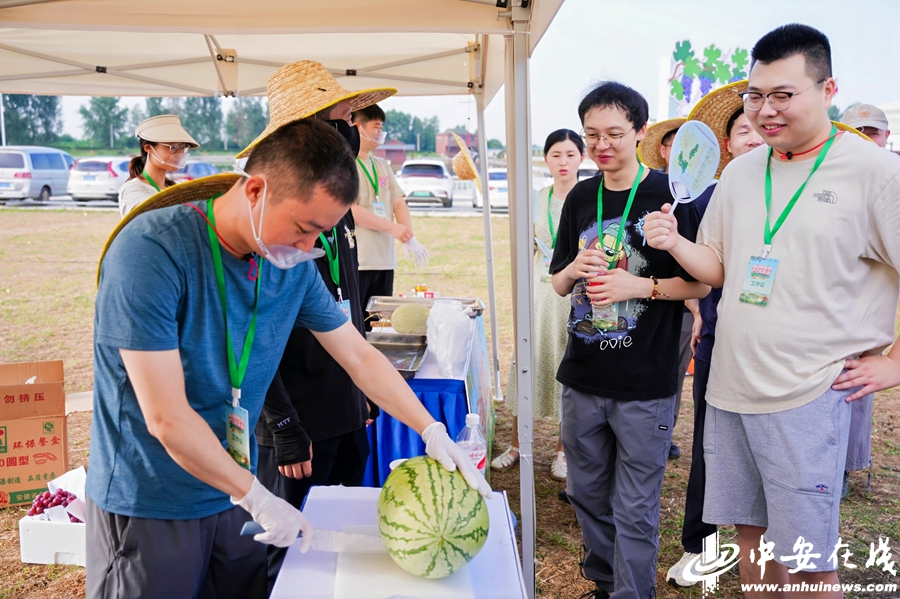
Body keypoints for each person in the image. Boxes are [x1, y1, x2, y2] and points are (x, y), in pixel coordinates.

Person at [87, 112, 490, 598]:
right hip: (152, 499)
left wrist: (429, 428)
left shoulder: (292, 265)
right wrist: (254, 494)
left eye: (319, 235)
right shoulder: (150, 251)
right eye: (302, 228)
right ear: (256, 191)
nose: (306, 247)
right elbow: (166, 417)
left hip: (232, 491)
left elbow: (358, 356)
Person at [644, 24, 900, 597]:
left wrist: (895, 363)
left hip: (807, 393)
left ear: (827, 88)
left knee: (808, 561)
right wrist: (674, 245)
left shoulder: (874, 173)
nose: (766, 110)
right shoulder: (740, 171)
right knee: (752, 540)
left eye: (783, 95)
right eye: (755, 96)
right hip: (732, 387)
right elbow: (719, 266)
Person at [549, 81, 709, 599]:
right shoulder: (579, 195)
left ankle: (631, 594)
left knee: (636, 504)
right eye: (592, 134)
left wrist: (640, 284)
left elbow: (702, 282)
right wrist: (575, 266)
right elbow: (556, 281)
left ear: (640, 132)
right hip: (584, 374)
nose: (602, 145)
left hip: (647, 379)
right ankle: (604, 582)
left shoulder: (669, 195)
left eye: (615, 133)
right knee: (586, 492)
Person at [247, 64, 392, 592]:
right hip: (298, 417)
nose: (349, 131)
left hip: (343, 405)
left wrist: (367, 394)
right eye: (338, 120)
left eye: (349, 119)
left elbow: (346, 313)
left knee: (335, 543)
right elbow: (252, 345)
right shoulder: (267, 230)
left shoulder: (338, 206)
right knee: (286, 555)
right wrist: (282, 426)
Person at [663, 81, 765, 587]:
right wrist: (698, 309)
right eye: (743, 130)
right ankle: (699, 546)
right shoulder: (708, 198)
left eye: (760, 130)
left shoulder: (800, 194)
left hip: (780, 354)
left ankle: (772, 554)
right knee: (709, 446)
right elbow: (699, 268)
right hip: (718, 343)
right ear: (727, 145)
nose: (755, 137)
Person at [491, 129, 585, 481]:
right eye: (556, 155)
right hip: (537, 291)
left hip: (575, 294)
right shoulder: (535, 199)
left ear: (582, 158)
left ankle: (563, 451)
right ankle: (518, 444)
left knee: (567, 364)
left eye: (570, 154)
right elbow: (525, 249)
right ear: (545, 159)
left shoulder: (589, 198)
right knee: (527, 360)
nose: (563, 162)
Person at [839, 102, 892, 500]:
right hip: (835, 306)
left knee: (857, 385)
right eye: (857, 131)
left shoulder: (891, 181)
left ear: (885, 137)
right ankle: (837, 467)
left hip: (870, 311)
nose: (865, 139)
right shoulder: (839, 178)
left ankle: (849, 465)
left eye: (871, 132)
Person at [639, 116, 694, 461]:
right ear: (661, 149)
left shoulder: (701, 193)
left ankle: (663, 433)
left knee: (673, 368)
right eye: (676, 146)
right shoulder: (651, 190)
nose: (682, 156)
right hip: (640, 303)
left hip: (686, 302)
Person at [351, 104, 429, 327]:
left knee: (379, 322)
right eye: (376, 126)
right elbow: (352, 210)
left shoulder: (382, 165)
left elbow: (398, 201)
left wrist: (408, 235)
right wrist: (391, 227)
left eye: (382, 126)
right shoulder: (348, 164)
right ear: (358, 127)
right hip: (360, 260)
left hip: (384, 259)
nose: (380, 132)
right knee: (359, 323)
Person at [118, 114, 199, 217]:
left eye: (183, 147)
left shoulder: (172, 188)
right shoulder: (132, 188)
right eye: (173, 147)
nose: (180, 153)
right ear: (148, 148)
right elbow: (154, 214)